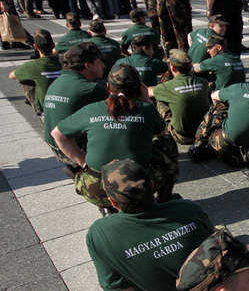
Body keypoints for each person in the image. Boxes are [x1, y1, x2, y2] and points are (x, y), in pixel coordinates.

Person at [51, 63, 179, 215]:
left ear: (108, 87)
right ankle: (164, 198)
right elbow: (161, 131)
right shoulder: (146, 109)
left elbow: (57, 134)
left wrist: (82, 161)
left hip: (96, 188)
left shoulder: (91, 109)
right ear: (139, 87)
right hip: (138, 186)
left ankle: (107, 206)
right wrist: (147, 100)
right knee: (166, 141)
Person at [86, 159, 213, 290]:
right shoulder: (188, 208)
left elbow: (119, 287)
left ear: (112, 202)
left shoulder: (99, 234)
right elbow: (215, 246)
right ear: (152, 186)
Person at [44, 43, 109, 178]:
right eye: (100, 61)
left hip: (54, 142)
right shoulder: (91, 89)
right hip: (71, 146)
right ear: (88, 65)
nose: (103, 65)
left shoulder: (59, 81)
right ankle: (88, 170)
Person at [148, 49, 209, 145]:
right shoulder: (203, 82)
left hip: (182, 136)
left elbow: (148, 92)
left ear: (172, 67)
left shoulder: (167, 87)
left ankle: (161, 129)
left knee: (159, 99)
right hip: (203, 133)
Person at [9, 30, 60, 115]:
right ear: (53, 45)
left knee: (25, 79)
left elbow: (11, 76)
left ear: (35, 47)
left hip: (46, 107)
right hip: (65, 104)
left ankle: (40, 109)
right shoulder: (65, 63)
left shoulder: (31, 66)